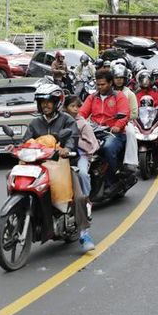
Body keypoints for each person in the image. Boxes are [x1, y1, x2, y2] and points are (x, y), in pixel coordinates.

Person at [23, 83, 95, 252]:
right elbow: (26, 141)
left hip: (63, 166)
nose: (45, 105)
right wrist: (16, 147)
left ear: (57, 103)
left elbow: (72, 138)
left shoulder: (67, 120)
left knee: (78, 197)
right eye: (42, 102)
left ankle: (84, 234)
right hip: (39, 167)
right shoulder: (35, 123)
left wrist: (67, 150)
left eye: (49, 101)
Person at [79, 69, 130, 185]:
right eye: (98, 84)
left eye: (103, 84)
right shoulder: (92, 97)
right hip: (94, 131)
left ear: (110, 83)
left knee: (107, 148)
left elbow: (124, 114)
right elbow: (82, 113)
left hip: (113, 133)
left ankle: (115, 176)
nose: (100, 87)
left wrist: (117, 126)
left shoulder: (119, 96)